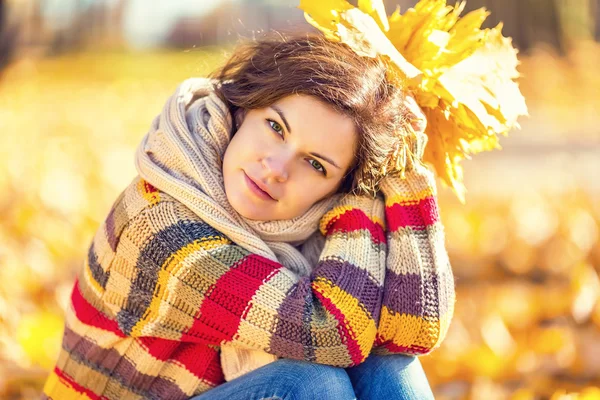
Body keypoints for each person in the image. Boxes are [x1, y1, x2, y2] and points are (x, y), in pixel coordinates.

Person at [42, 33, 455, 400]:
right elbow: (333, 331)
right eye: (275, 127)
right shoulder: (159, 229)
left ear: (338, 188)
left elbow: (410, 331)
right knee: (310, 384)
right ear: (242, 112)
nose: (276, 168)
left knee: (385, 363)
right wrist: (364, 195)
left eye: (316, 165)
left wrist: (400, 182)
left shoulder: (309, 224)